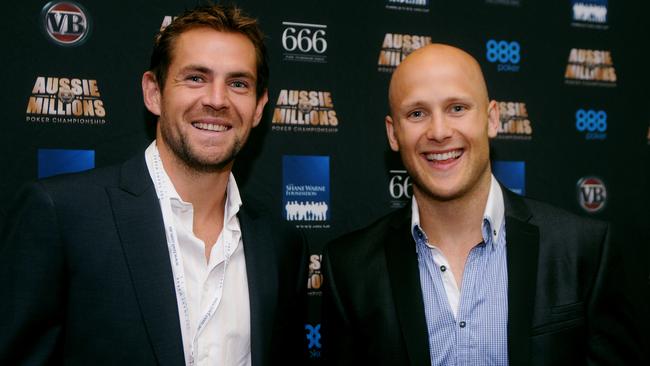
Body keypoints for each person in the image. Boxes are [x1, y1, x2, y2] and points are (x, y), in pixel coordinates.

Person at [0, 5, 307, 366]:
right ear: (154, 92)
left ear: (259, 108)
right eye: (195, 78)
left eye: (238, 83)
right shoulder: (62, 215)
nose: (217, 100)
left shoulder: (280, 244)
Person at [320, 44, 644, 365]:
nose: (439, 131)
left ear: (492, 119)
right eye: (417, 113)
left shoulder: (582, 249)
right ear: (393, 134)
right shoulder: (351, 269)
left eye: (457, 108)